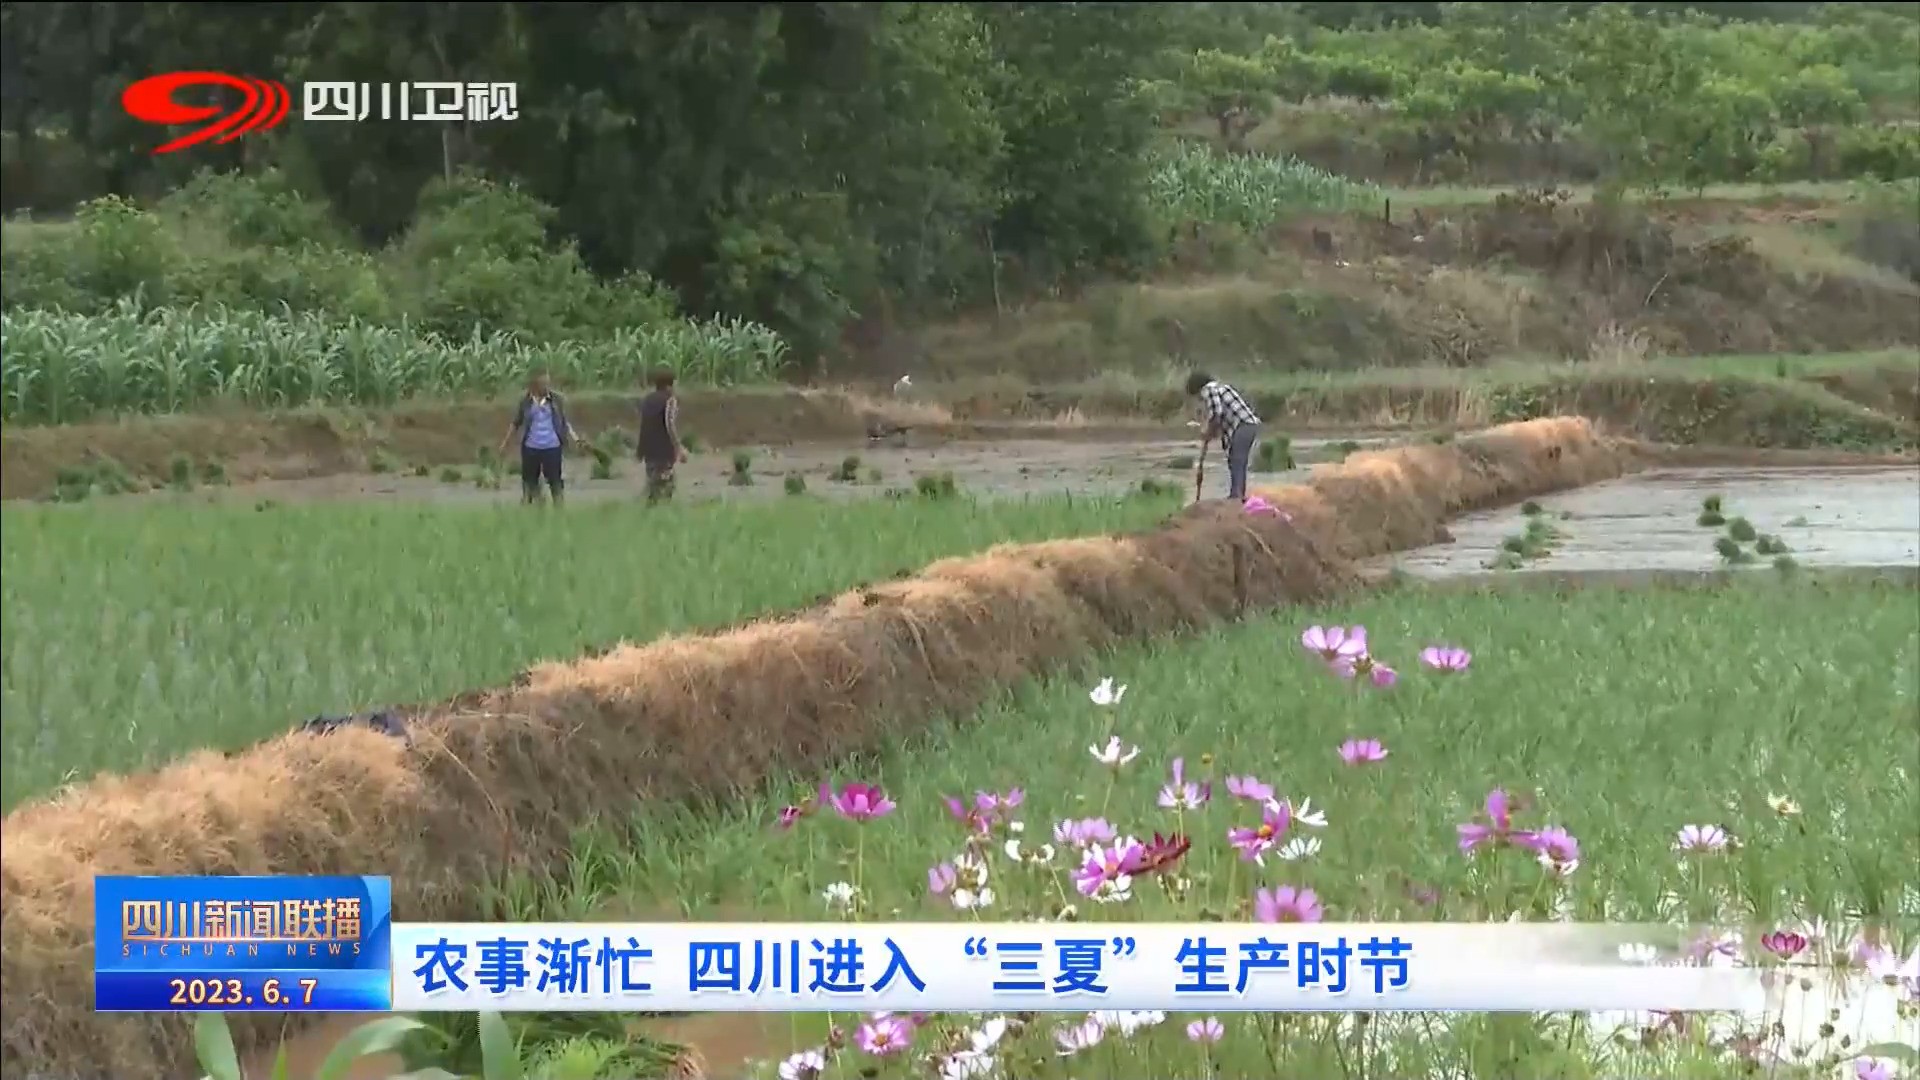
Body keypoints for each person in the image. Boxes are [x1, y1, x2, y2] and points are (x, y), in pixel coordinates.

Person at [499, 371, 579, 505]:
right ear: (535, 385)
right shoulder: (525, 402)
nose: (546, 387)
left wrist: (575, 438)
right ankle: (532, 508)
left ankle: (559, 510)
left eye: (547, 383)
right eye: (543, 384)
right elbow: (516, 423)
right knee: (529, 482)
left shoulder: (557, 400)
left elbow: (564, 422)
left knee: (555, 481)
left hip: (552, 446)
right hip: (531, 447)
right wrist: (505, 443)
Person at [1185, 370, 1263, 503]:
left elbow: (1217, 413)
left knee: (1237, 460)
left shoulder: (1209, 389)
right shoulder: (1220, 388)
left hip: (1243, 426)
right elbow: (1221, 419)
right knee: (1236, 460)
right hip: (1246, 426)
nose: (1199, 399)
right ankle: (1237, 494)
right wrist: (1211, 433)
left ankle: (1236, 496)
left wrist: (1208, 431)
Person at [636, 366, 688, 505]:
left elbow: (644, 425)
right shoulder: (670, 400)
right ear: (669, 384)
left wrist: (640, 451)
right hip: (663, 450)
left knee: (654, 485)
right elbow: (670, 424)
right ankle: (658, 516)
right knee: (666, 487)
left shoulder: (647, 400)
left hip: (649, 450)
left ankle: (651, 516)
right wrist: (679, 448)